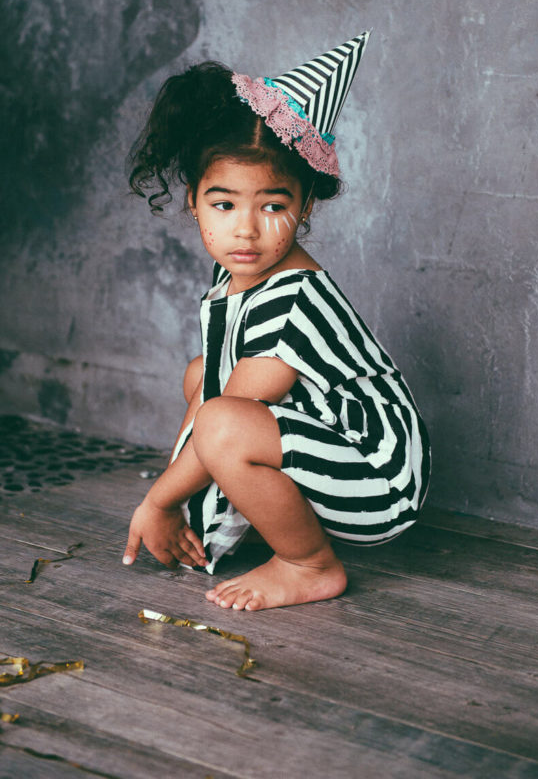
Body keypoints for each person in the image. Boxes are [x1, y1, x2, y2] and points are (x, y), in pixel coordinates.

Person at [122, 32, 430, 611]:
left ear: (305, 204)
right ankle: (271, 519)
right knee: (200, 375)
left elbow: (223, 419)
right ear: (193, 200)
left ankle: (308, 563)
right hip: (326, 441)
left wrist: (160, 503)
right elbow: (214, 389)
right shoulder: (238, 276)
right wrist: (185, 511)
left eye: (273, 206)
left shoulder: (288, 300)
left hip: (379, 478)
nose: (245, 229)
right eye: (224, 204)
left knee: (220, 423)